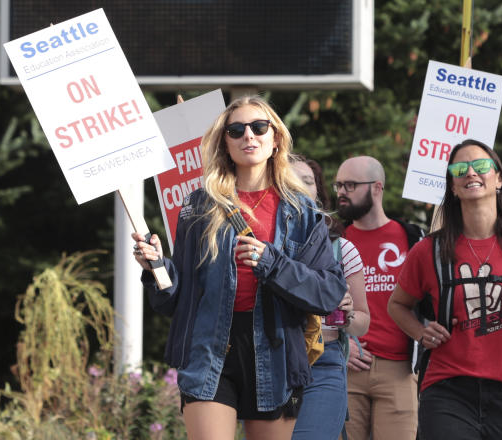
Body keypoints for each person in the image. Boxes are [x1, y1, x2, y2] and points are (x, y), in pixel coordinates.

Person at [132, 96, 347, 440]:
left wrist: (272, 264)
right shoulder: (200, 205)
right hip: (209, 346)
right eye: (236, 130)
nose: (248, 135)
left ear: (275, 138)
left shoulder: (302, 211)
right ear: (225, 143)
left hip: (275, 350)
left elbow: (328, 292)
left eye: (259, 127)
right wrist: (157, 266)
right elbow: (176, 299)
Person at [388, 139, 502, 440]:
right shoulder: (428, 250)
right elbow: (397, 304)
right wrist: (420, 333)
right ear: (452, 185)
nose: (471, 173)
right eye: (460, 169)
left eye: (481, 166)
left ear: (499, 179)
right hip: (448, 389)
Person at [335, 155, 426, 440]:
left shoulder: (413, 238)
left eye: (350, 185)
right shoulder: (332, 241)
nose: (341, 193)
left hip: (399, 370)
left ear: (377, 188)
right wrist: (341, 342)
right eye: (338, 185)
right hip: (345, 367)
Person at [289, 155, 370, 440]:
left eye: (307, 180)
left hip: (324, 364)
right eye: (291, 178)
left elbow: (362, 323)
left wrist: (347, 315)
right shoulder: (261, 246)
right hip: (275, 360)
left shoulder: (341, 250)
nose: (299, 185)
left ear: (318, 194)